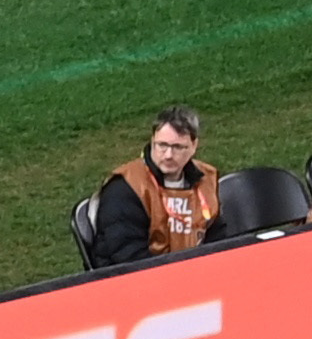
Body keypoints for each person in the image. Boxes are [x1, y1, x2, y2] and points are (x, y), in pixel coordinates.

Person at [91, 106, 217, 260]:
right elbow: (128, 256)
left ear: (193, 146)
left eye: (177, 147)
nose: (168, 155)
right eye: (162, 145)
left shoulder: (206, 180)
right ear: (152, 141)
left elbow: (219, 238)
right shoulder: (127, 187)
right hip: (137, 276)